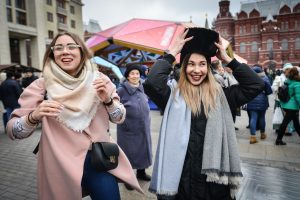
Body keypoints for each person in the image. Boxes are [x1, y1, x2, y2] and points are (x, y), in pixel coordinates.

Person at [6, 32, 142, 200]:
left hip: (98, 160)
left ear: (82, 51)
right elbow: (13, 131)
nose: (65, 51)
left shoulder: (100, 80)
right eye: (58, 48)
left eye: (71, 46)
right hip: (58, 164)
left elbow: (119, 118)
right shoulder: (41, 85)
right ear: (52, 54)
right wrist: (33, 117)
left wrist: (108, 100)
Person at [144, 28, 264, 200]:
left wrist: (229, 60)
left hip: (214, 186)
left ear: (208, 68)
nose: (196, 70)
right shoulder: (171, 96)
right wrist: (171, 53)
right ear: (184, 67)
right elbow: (151, 83)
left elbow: (255, 85)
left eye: (202, 64)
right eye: (191, 64)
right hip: (181, 184)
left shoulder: (224, 96)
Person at [117, 64, 152, 190]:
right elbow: (115, 108)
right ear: (127, 75)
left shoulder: (142, 87)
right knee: (129, 153)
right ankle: (128, 178)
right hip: (128, 128)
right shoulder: (121, 90)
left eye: (137, 73)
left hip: (143, 127)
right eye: (132, 74)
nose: (135, 76)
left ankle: (141, 173)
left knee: (143, 149)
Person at [246, 65, 272, 144]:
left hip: (251, 100)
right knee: (262, 117)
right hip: (262, 101)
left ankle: (253, 137)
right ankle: (262, 134)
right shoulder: (265, 78)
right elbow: (269, 91)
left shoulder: (248, 78)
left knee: (253, 118)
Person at [275, 67, 300, 145]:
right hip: (292, 107)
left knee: (295, 123)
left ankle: (278, 139)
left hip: (286, 105)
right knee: (285, 123)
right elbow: (298, 96)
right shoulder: (297, 83)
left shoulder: (287, 81)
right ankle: (278, 140)